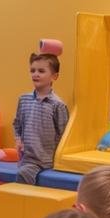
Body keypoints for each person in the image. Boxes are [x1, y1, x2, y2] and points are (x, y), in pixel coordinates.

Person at [14, 50, 69, 185]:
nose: (35, 74)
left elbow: (64, 135)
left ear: (54, 76)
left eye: (41, 71)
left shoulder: (58, 104)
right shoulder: (24, 99)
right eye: (32, 70)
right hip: (27, 158)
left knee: (23, 175)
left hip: (46, 159)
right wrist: (18, 140)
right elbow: (17, 124)